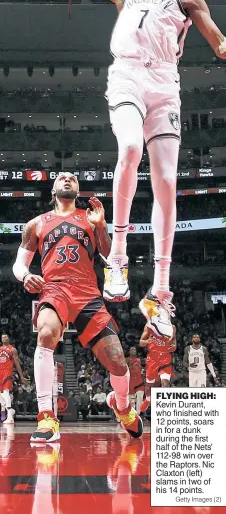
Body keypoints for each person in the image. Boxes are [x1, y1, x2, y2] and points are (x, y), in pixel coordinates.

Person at [50, 0, 226, 338]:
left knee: (168, 180)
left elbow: (223, 46)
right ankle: (116, 254)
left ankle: (160, 292)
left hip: (165, 86)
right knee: (131, 147)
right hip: (129, 78)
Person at [12, 172, 143, 442]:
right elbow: (19, 264)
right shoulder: (36, 224)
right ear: (54, 188)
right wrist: (26, 276)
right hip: (54, 287)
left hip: (87, 291)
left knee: (118, 361)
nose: (67, 179)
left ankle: (122, 407)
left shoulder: (90, 217)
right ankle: (47, 417)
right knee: (46, 334)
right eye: (62, 177)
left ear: (79, 188)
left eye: (72, 178)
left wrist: (102, 226)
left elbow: (110, 256)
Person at [139, 323, 176, 412]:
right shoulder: (149, 326)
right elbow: (141, 342)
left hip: (165, 358)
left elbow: (174, 344)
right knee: (148, 387)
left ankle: (163, 408)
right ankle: (148, 399)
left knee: (165, 384)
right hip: (152, 359)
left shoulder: (172, 327)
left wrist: (173, 347)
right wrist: (147, 341)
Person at [0, 333, 29, 424]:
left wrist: (21, 376)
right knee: (2, 396)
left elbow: (17, 363)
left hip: (7, 372)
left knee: (6, 392)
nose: (4, 338)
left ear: (9, 339)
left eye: (6, 337)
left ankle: (9, 416)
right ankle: (10, 411)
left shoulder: (12, 349)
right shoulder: (0, 349)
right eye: (2, 337)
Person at [126, 346, 144, 414]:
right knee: (131, 401)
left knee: (140, 398)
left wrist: (141, 370)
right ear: (129, 352)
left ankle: (138, 414)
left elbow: (141, 369)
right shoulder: (127, 359)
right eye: (132, 349)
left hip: (139, 382)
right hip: (131, 383)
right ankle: (132, 414)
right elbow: (125, 370)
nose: (133, 350)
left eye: (134, 349)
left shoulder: (139, 360)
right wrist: (132, 367)